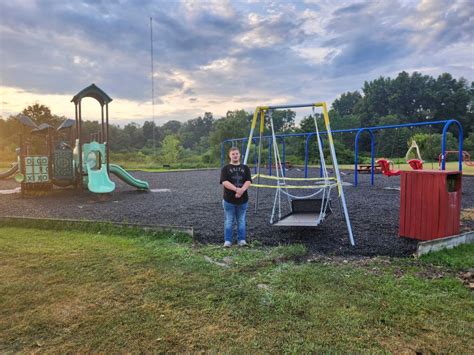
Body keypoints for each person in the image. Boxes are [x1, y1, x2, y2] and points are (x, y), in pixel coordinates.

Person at [220, 147, 252, 247]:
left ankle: (241, 240)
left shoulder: (245, 168)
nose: (235, 155)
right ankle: (228, 241)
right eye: (233, 154)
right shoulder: (225, 168)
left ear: (240, 155)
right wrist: (236, 189)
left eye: (237, 153)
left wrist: (241, 190)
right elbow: (224, 182)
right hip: (229, 200)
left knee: (241, 221)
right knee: (229, 220)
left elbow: (248, 181)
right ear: (230, 155)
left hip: (243, 200)